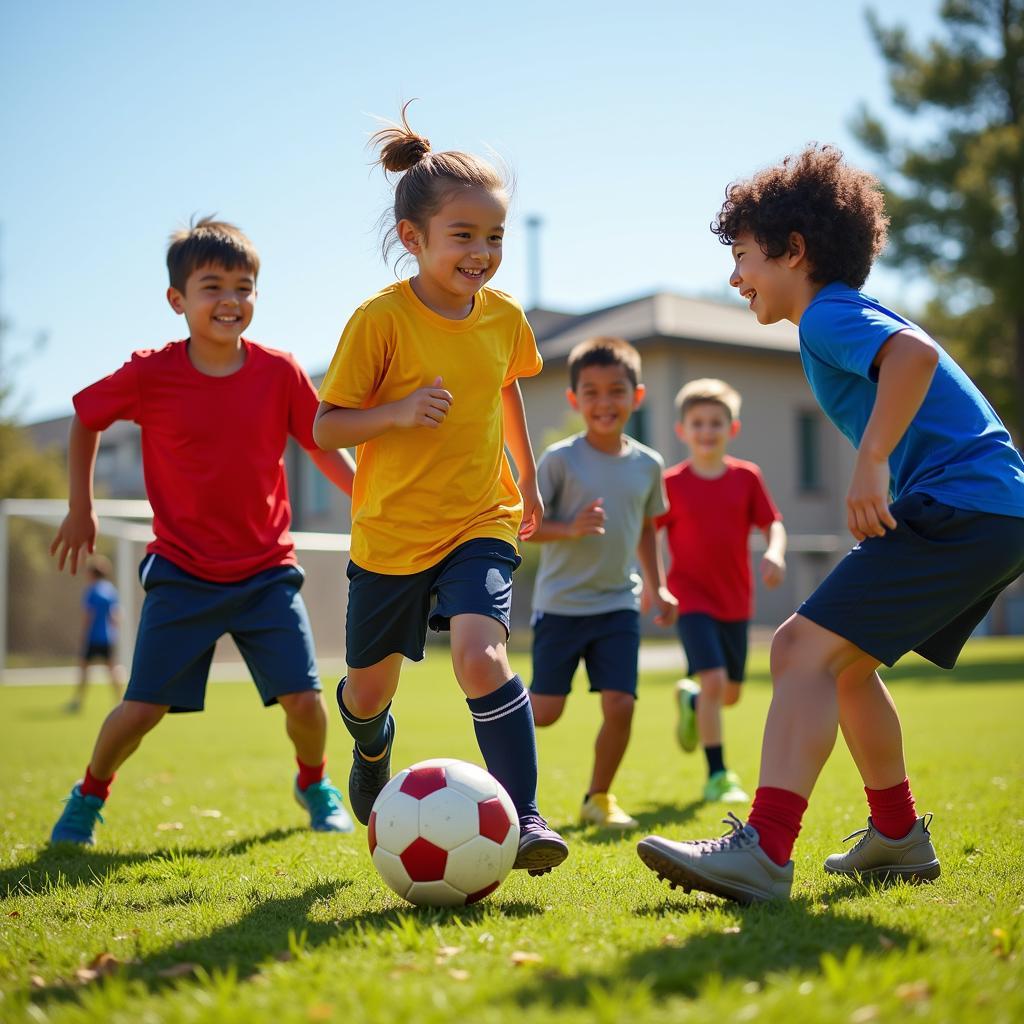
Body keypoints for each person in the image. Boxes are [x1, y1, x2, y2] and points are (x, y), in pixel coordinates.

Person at [637, 144, 1024, 904]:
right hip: (988, 508)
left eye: (744, 255)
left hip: (965, 502)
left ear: (795, 251)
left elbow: (911, 357)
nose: (734, 276)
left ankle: (766, 850)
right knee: (842, 664)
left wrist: (870, 460)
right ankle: (898, 834)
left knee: (798, 651)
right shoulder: (842, 315)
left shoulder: (828, 316)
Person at [313, 106, 569, 875]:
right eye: (464, 235)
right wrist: (394, 412)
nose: (483, 252)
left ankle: (523, 818)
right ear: (412, 238)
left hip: (477, 520)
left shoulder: (504, 320)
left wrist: (525, 482)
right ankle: (370, 740)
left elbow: (507, 391)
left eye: (493, 236)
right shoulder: (379, 321)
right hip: (391, 536)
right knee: (365, 691)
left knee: (481, 657)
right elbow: (326, 427)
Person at [48, 218, 357, 845]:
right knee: (140, 711)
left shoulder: (280, 372)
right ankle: (88, 796)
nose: (229, 301)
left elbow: (322, 444)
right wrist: (81, 507)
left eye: (243, 288)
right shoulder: (149, 374)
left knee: (305, 700)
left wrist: (368, 496)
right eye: (212, 286)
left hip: (267, 571)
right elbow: (84, 419)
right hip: (183, 574)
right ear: (178, 301)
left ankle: (314, 782)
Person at [527, 336, 676, 829]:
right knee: (544, 713)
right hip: (561, 606)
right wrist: (568, 527)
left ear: (637, 396)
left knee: (621, 703)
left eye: (616, 391)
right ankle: (499, 781)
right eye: (590, 392)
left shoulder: (648, 465)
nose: (603, 402)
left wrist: (658, 586)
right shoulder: (559, 460)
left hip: (617, 605)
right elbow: (526, 526)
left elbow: (646, 528)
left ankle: (598, 797)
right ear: (574, 400)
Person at [659, 378, 786, 804]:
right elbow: (645, 533)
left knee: (728, 694)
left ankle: (693, 703)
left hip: (735, 601)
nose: (707, 430)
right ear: (682, 430)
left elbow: (773, 523)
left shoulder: (746, 478)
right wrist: (654, 584)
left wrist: (776, 552)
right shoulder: (670, 484)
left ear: (732, 428)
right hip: (690, 599)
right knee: (714, 680)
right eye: (698, 422)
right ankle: (717, 776)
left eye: (716, 422)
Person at [66, 554, 125, 713]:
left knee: (84, 669)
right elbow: (116, 616)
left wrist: (83, 635)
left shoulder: (92, 591)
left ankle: (78, 701)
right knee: (113, 669)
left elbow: (88, 615)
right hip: (108, 637)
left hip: (93, 637)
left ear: (92, 573)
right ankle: (121, 701)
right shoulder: (111, 590)